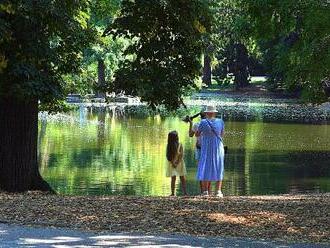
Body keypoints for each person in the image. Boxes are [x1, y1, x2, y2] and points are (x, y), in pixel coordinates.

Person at [196, 105, 225, 197]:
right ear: (215, 113)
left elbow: (197, 134)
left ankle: (205, 192)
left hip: (207, 148)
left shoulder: (203, 122)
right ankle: (218, 191)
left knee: (205, 167)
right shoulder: (221, 122)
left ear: (206, 113)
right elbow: (222, 134)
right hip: (218, 147)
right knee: (218, 166)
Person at [188, 112, 210, 194]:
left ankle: (203, 191)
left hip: (200, 149)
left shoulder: (197, 124)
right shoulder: (211, 124)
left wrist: (190, 123)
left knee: (201, 170)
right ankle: (206, 190)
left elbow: (190, 135)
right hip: (206, 149)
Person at [166, 131, 187, 196]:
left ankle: (173, 193)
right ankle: (184, 193)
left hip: (174, 163)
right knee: (181, 178)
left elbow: (168, 156)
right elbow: (181, 155)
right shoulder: (176, 145)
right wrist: (176, 163)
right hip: (178, 163)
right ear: (176, 138)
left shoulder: (170, 145)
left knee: (175, 178)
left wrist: (174, 163)